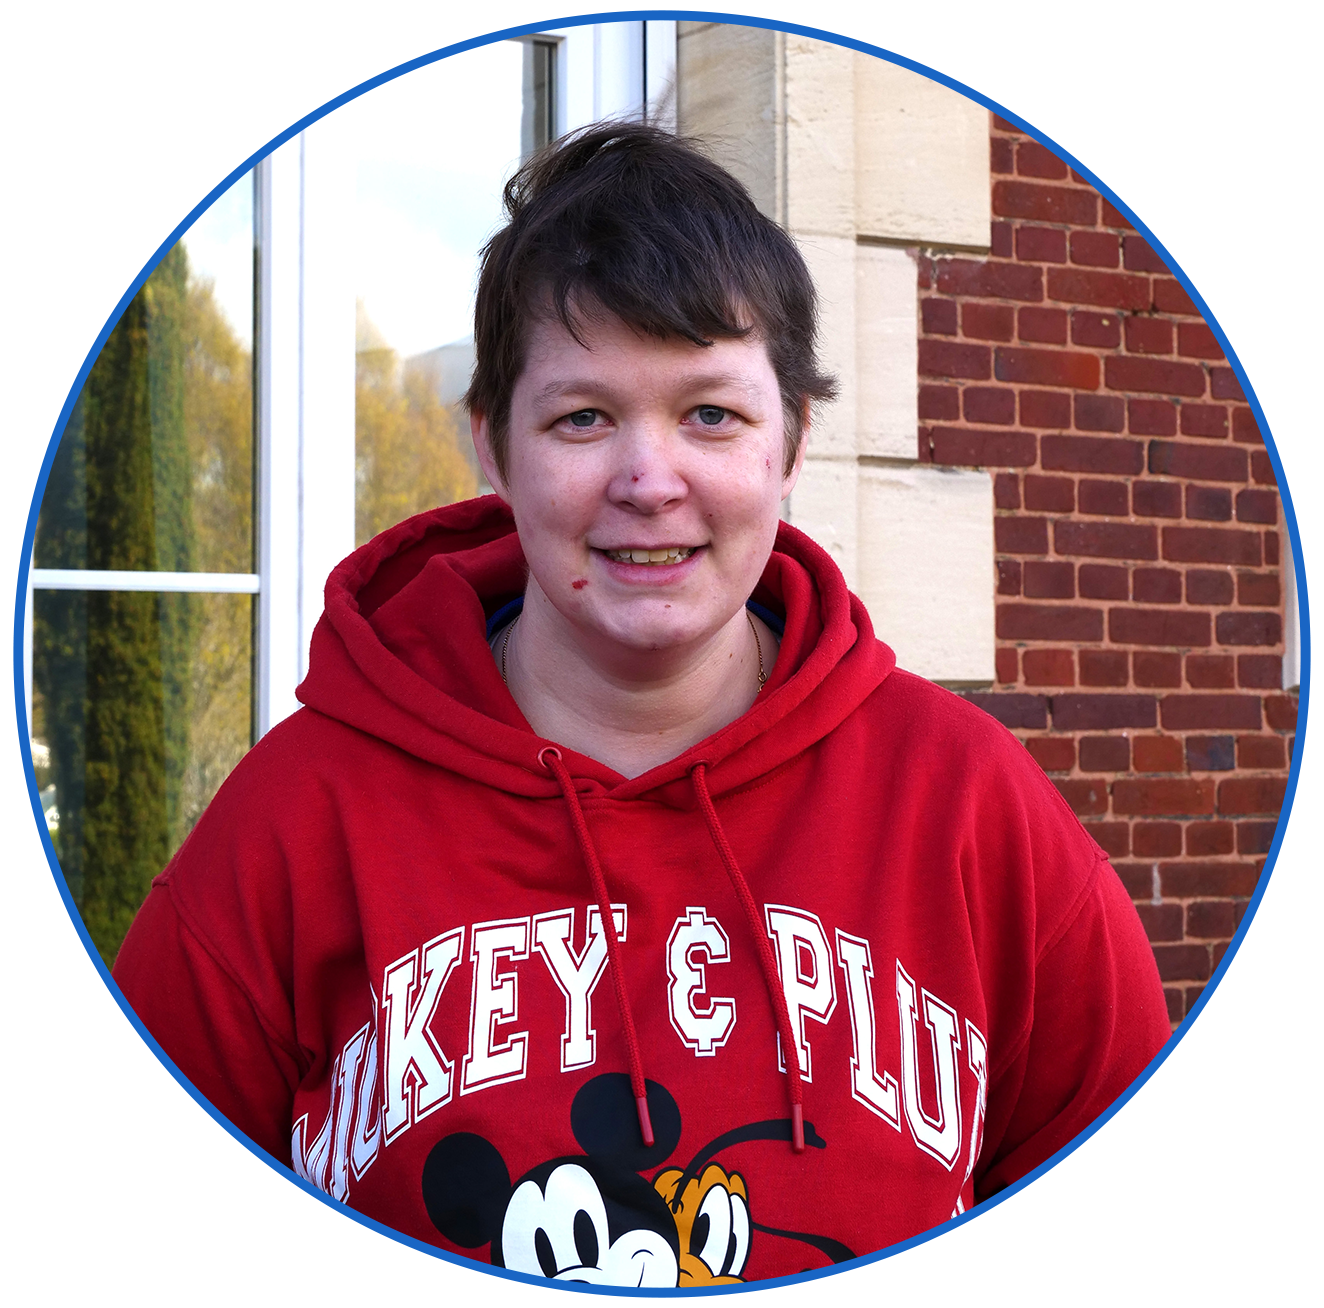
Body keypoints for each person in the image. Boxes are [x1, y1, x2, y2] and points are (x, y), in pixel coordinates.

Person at [88, 122, 1175, 1297]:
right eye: (582, 418)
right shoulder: (298, 822)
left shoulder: (965, 802)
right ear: (493, 447)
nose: (650, 481)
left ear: (791, 443)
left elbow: (1089, 1215)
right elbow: (174, 1254)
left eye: (711, 414)